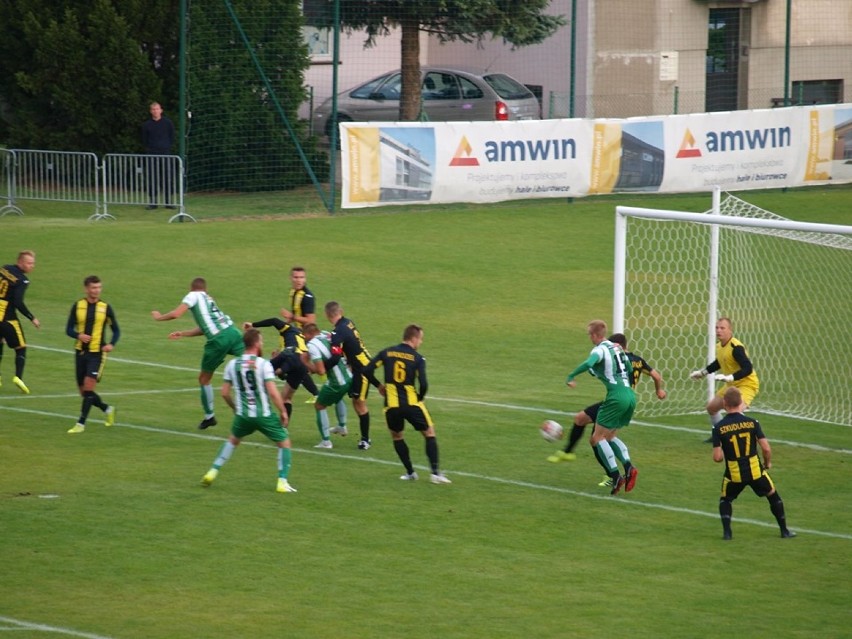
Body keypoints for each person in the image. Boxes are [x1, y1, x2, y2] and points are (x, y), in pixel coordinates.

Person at [549, 332, 666, 488]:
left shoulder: (612, 357)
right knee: (588, 423)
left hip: (615, 400)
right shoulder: (638, 360)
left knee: (597, 438)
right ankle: (573, 454)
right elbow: (657, 376)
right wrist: (659, 391)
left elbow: (594, 368)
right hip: (629, 399)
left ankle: (612, 474)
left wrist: (577, 374)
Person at [201, 329, 296, 493]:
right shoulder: (263, 364)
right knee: (284, 443)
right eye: (262, 341)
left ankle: (213, 471)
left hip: (243, 415)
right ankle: (282, 481)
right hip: (263, 414)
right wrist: (283, 411)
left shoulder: (232, 364)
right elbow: (273, 393)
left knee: (232, 441)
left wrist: (235, 408)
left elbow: (224, 393)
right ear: (257, 343)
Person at [363, 324, 451, 484]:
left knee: (397, 437)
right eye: (421, 339)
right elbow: (423, 384)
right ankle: (435, 473)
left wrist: (379, 386)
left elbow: (367, 370)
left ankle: (410, 472)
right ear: (414, 338)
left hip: (391, 406)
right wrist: (420, 397)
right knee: (429, 433)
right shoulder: (417, 358)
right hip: (412, 404)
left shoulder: (386, 352)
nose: (421, 342)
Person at [152, 277, 244, 430]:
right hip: (233, 333)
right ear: (205, 289)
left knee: (204, 379)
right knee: (253, 366)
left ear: (191, 288)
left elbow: (176, 314)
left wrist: (158, 317)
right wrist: (183, 333)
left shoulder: (193, 296)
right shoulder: (209, 299)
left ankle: (210, 417)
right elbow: (206, 326)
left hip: (218, 340)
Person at [712, 387, 795, 540]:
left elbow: (717, 458)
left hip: (734, 474)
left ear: (724, 403)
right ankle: (784, 531)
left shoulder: (719, 427)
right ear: (741, 402)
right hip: (756, 471)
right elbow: (766, 448)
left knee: (725, 499)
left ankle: (727, 533)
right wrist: (767, 463)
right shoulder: (752, 423)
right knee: (772, 495)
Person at [565, 320, 637, 495]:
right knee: (610, 436)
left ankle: (615, 475)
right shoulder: (617, 347)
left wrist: (571, 375)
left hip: (616, 397)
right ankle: (628, 467)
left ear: (595, 335)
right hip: (630, 395)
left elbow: (590, 363)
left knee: (596, 439)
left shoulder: (599, 349)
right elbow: (628, 367)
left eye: (590, 334)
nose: (589, 338)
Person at [690, 317, 760, 441]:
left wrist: (730, 377)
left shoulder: (736, 347)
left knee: (735, 412)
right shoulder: (719, 346)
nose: (719, 331)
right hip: (731, 385)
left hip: (747, 384)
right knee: (711, 408)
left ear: (730, 330)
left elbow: (748, 368)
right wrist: (702, 373)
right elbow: (719, 362)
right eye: (717, 328)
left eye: (722, 328)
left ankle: (754, 438)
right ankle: (720, 436)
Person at [65, 276, 120, 433]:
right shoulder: (78, 306)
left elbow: (116, 330)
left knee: (88, 389)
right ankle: (107, 409)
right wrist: (78, 335)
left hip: (97, 354)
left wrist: (111, 344)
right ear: (86, 289)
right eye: (93, 288)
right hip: (80, 353)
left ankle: (81, 423)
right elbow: (68, 329)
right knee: (84, 393)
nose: (96, 290)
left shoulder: (105, 308)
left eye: (99, 287)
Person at [325, 301, 373, 450]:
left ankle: (365, 440)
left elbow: (334, 358)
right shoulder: (347, 322)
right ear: (341, 311)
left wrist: (319, 368)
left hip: (363, 370)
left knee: (360, 404)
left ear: (327, 315)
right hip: (360, 366)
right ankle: (342, 426)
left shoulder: (338, 332)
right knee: (355, 401)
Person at [243, 316, 320, 404]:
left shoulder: (290, 330)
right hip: (299, 360)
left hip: (290, 355)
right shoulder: (304, 340)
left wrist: (253, 325)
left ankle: (250, 387)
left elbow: (274, 320)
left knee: (265, 369)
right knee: (298, 373)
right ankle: (316, 394)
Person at [302, 322, 352, 449]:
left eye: (304, 336)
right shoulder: (326, 334)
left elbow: (321, 371)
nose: (304, 340)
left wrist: (305, 363)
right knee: (338, 397)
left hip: (336, 382)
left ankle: (326, 442)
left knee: (319, 405)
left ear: (309, 334)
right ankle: (342, 426)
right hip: (348, 376)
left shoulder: (312, 345)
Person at [0, 250, 41, 394]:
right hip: (7, 318)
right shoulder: (22, 280)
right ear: (20, 262)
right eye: (29, 263)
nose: (32, 266)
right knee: (21, 347)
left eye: (33, 263)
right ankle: (18, 377)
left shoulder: (4, 268)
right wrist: (32, 317)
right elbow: (18, 302)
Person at [141, 101, 176, 210]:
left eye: (157, 109)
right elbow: (144, 139)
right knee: (152, 177)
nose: (155, 111)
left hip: (165, 152)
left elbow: (172, 136)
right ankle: (153, 202)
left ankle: (168, 201)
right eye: (153, 109)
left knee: (167, 177)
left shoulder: (168, 123)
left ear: (161, 110)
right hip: (152, 153)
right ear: (151, 111)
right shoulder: (147, 125)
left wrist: (166, 146)